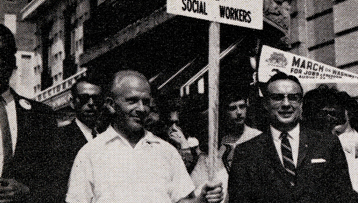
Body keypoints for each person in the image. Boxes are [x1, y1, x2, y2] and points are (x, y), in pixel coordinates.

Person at [66, 70, 223, 203]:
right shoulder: (90, 154)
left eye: (146, 102)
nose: (141, 109)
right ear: (111, 105)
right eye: (132, 101)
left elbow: (180, 200)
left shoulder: (166, 152)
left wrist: (200, 200)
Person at [228, 71, 357, 203]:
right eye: (277, 98)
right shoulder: (246, 152)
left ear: (301, 104)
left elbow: (344, 196)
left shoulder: (327, 143)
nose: (286, 104)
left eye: (293, 97)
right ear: (265, 104)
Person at [0, 25, 58, 202]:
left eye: (2, 55)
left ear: (13, 62)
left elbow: (56, 179)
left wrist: (27, 191)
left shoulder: (41, 116)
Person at [190, 87, 261, 202]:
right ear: (224, 112)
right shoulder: (217, 143)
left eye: (242, 107)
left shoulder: (258, 137)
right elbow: (195, 184)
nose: (239, 112)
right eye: (232, 108)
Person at [54, 76, 103, 202]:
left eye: (96, 99)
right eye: (84, 98)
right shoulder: (57, 139)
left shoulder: (108, 138)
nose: (91, 104)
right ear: (72, 102)